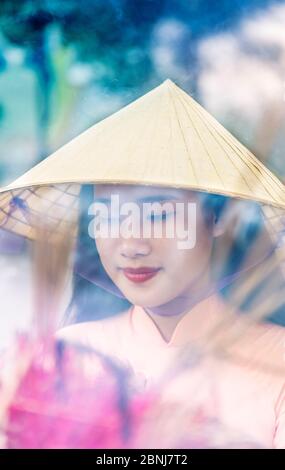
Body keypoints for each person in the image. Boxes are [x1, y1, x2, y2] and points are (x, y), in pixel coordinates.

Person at [58, 182, 285, 448]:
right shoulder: (66, 353)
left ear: (217, 216)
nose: (131, 245)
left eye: (159, 215)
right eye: (109, 216)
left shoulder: (277, 360)